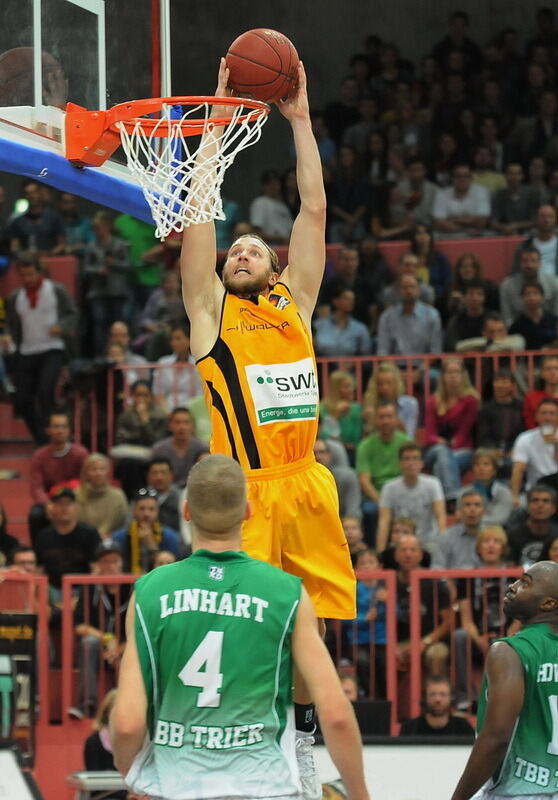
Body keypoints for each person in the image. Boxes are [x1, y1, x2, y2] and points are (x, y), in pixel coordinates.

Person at [180, 63, 357, 785]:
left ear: (277, 262)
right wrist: (219, 125)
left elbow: (314, 210)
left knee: (312, 635)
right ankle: (239, 756)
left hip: (307, 484)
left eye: (254, 245)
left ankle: (307, 749)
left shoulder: (297, 302)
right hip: (248, 493)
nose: (240, 249)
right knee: (250, 637)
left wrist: (301, 121)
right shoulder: (209, 315)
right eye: (233, 250)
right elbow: (198, 224)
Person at [110, 455, 369, 800]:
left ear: (186, 511)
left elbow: (127, 723)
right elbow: (336, 715)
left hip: (176, 784)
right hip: (263, 784)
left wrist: (133, 771)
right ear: (248, 511)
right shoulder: (287, 591)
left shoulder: (150, 590)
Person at [450, 560, 558, 800]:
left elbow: (497, 739)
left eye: (525, 583)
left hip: (518, 791)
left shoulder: (509, 650)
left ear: (548, 603)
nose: (512, 586)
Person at [4, 252, 78, 443]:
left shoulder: (56, 290)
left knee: (46, 392)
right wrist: (8, 336)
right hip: (26, 350)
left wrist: (61, 327)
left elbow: (73, 313)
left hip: (52, 348)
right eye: (23, 275)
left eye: (31, 274)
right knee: (22, 399)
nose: (27, 279)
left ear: (39, 272)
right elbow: (10, 323)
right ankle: (40, 438)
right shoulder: (15, 297)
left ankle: (52, 437)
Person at [452, 525, 516, 711]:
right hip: (477, 636)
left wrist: (506, 637)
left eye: (496, 542)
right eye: (486, 541)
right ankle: (464, 699)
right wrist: (479, 639)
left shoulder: (515, 575)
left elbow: (521, 614)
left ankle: (509, 700)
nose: (491, 546)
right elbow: (466, 620)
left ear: (503, 548)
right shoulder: (467, 577)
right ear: (478, 548)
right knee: (459, 636)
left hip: (509, 634)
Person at [69, 540, 131, 720]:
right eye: (106, 561)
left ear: (122, 563)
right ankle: (87, 705)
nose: (111, 566)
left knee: (138, 647)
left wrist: (121, 647)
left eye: (115, 561)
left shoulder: (135, 587)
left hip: (126, 646)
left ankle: (131, 706)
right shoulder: (89, 587)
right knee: (89, 642)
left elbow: (142, 628)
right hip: (99, 647)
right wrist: (107, 639)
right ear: (97, 565)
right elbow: (80, 626)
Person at [395, 533, 452, 678]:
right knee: (381, 654)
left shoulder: (436, 583)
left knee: (437, 654)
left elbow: (448, 623)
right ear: (396, 554)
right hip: (399, 642)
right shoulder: (388, 583)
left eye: (413, 550)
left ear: (421, 555)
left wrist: (424, 643)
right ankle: (386, 700)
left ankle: (436, 696)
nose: (408, 554)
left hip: (430, 641)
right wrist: (392, 647)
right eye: (403, 550)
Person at [28, 411, 88, 546]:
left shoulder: (81, 453)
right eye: (55, 426)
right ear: (48, 430)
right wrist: (47, 504)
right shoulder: (39, 456)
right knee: (36, 514)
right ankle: (38, 554)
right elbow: (36, 487)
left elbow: (86, 482)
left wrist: (73, 502)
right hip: (50, 501)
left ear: (69, 430)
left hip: (76, 499)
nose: (60, 430)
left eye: (64, 426)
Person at [424, 358, 480, 501]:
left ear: (463, 375)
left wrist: (450, 447)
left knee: (441, 464)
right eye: (449, 372)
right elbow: (430, 435)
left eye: (457, 372)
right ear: (443, 376)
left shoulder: (470, 400)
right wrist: (441, 442)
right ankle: (454, 497)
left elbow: (464, 432)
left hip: (463, 449)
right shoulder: (433, 401)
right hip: (435, 449)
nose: (453, 376)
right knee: (442, 453)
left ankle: (444, 500)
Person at [377, 442, 445, 556]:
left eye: (415, 458)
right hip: (400, 542)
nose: (411, 463)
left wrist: (443, 546)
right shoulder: (389, 488)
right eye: (406, 459)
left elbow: (440, 516)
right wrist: (380, 553)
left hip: (427, 542)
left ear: (422, 463)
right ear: (400, 463)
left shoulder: (433, 484)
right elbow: (384, 521)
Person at [356, 402, 410, 544]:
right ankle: (374, 553)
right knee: (369, 511)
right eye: (381, 417)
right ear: (375, 420)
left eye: (389, 416)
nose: (385, 420)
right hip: (376, 495)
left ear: (397, 419)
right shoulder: (365, 445)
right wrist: (382, 501)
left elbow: (411, 472)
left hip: (402, 492)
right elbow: (364, 481)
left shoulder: (406, 442)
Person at [82, 211, 131, 356]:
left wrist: (113, 263)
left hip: (117, 290)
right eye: (95, 228)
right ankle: (101, 354)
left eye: (100, 227)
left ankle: (121, 353)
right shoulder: (91, 246)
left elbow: (127, 265)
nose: (98, 231)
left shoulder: (120, 244)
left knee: (118, 325)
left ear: (108, 227)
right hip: (98, 291)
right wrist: (98, 270)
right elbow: (85, 268)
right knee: (100, 325)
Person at [113, 488, 181, 575]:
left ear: (158, 511)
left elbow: (172, 570)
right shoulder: (120, 537)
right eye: (142, 509)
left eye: (151, 509)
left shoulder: (170, 536)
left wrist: (152, 546)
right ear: (134, 511)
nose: (146, 514)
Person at [511, 398, 558, 504]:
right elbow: (518, 468)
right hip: (537, 488)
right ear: (536, 416)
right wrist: (515, 495)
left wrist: (556, 445)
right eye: (544, 413)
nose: (547, 417)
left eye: (552, 413)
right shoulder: (525, 438)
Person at [477, 370, 524, 473]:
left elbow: (524, 433)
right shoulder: (487, 409)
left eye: (504, 381)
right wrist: (493, 450)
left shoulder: (521, 407)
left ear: (513, 386)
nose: (499, 385)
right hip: (492, 452)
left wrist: (515, 449)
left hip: (516, 451)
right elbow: (483, 435)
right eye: (497, 381)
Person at [500, 246, 558, 328]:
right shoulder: (507, 285)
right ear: (519, 263)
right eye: (525, 261)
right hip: (517, 332)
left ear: (540, 263)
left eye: (533, 261)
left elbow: (556, 313)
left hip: (549, 331)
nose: (529, 265)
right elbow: (507, 316)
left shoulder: (554, 283)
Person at [399, 675, 475, 738]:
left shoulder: (463, 727)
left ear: (450, 698)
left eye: (443, 694)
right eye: (432, 694)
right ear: (425, 698)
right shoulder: (410, 729)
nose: (438, 699)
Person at [151, 407, 209, 487]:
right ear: (170, 425)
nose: (182, 427)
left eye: (186, 422)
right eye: (177, 422)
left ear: (193, 426)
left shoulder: (203, 447)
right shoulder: (159, 449)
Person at [84, 690, 126, 799]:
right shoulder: (94, 741)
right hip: (106, 795)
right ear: (107, 713)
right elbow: (96, 782)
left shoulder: (139, 740)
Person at [152, 321, 203, 411]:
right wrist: (168, 413)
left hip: (193, 411)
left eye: (178, 339)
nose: (174, 343)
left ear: (189, 340)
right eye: (172, 339)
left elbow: (200, 394)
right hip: (168, 410)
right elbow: (158, 393)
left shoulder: (198, 364)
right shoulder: (163, 363)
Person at [76, 453, 128, 539]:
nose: (98, 473)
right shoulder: (76, 495)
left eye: (102, 469)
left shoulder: (118, 496)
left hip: (112, 542)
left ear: (108, 472)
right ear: (86, 473)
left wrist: (110, 536)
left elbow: (122, 525)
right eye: (93, 469)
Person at [362, 361, 418, 439]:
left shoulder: (410, 404)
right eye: (380, 384)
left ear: (397, 383)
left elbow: (409, 437)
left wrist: (395, 421)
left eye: (389, 383)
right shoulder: (370, 404)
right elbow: (366, 441)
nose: (385, 387)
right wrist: (371, 421)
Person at [313, 283, 372, 358]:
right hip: (322, 368)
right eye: (346, 298)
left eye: (352, 299)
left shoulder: (360, 328)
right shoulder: (319, 325)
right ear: (335, 301)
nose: (351, 302)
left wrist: (351, 364)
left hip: (351, 369)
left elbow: (366, 358)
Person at [433, 163, 490, 238]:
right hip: (448, 236)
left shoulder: (481, 192)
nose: (462, 179)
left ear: (471, 179)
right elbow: (439, 222)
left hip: (475, 236)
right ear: (452, 178)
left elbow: (482, 221)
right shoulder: (442, 194)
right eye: (458, 176)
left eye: (466, 176)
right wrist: (466, 228)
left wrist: (454, 220)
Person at [7, 179, 65, 254]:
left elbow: (62, 245)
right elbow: (14, 248)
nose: (31, 196)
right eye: (27, 193)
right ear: (24, 196)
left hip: (50, 262)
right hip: (26, 263)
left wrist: (47, 255)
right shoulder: (17, 222)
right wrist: (25, 257)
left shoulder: (54, 218)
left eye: (34, 192)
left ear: (40, 193)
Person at [431, 490, 486, 570]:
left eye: (477, 505)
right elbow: (437, 568)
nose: (472, 509)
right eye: (467, 505)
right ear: (459, 511)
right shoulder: (446, 537)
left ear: (484, 511)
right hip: (452, 581)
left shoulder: (492, 536)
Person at [506, 484, 558, 567]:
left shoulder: (556, 535)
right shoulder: (513, 534)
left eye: (545, 501)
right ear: (527, 506)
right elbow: (510, 567)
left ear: (554, 508)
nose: (540, 505)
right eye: (535, 500)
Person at [460, 449, 513, 527]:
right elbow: (461, 518)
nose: (481, 468)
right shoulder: (463, 493)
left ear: (494, 470)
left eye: (486, 464)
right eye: (477, 464)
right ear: (473, 469)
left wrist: (474, 518)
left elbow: (499, 520)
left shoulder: (504, 492)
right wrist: (484, 515)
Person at [319, 370, 363, 461]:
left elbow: (357, 436)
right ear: (335, 389)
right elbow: (323, 434)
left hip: (354, 451)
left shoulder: (357, 408)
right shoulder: (323, 408)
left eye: (351, 386)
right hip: (331, 451)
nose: (351, 390)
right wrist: (335, 415)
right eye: (346, 387)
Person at [313, 439, 362, 519]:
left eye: (322, 452)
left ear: (329, 455)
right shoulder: (303, 483)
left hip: (343, 524)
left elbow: (353, 512)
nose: (318, 457)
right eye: (314, 453)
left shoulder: (347, 477)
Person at [491, 163, 539, 236]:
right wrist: (506, 228)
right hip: (504, 231)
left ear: (522, 176)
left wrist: (516, 225)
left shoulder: (531, 194)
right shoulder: (499, 195)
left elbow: (535, 220)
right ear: (505, 176)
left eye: (517, 174)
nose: (514, 177)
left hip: (528, 231)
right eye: (511, 173)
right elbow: (494, 223)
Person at [508, 281, 558, 351]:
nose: (532, 298)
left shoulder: (553, 320)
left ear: (542, 297)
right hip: (527, 361)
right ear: (522, 298)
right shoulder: (517, 325)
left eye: (536, 293)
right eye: (528, 294)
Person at [249, 169, 293, 245]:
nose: (272, 186)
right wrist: (280, 238)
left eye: (275, 183)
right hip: (269, 248)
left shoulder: (283, 205)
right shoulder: (260, 202)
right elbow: (256, 233)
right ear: (263, 186)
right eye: (269, 184)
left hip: (286, 248)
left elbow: (291, 230)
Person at [512, 204, 558, 276]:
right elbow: (515, 272)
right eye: (542, 217)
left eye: (550, 216)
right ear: (536, 219)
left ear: (555, 219)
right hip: (531, 283)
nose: (546, 220)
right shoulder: (524, 246)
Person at [444, 280, 488, 352]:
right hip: (461, 360)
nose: (475, 298)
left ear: (484, 298)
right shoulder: (455, 322)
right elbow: (452, 347)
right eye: (471, 294)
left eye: (479, 294)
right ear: (464, 297)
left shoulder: (493, 319)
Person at [146, 457, 182, 532]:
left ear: (171, 475)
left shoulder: (181, 498)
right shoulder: (142, 497)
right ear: (148, 476)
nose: (159, 477)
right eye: (155, 473)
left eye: (163, 472)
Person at [523, 354, 558, 429]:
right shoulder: (531, 398)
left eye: (556, 368)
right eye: (548, 369)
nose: (553, 372)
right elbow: (530, 426)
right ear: (542, 373)